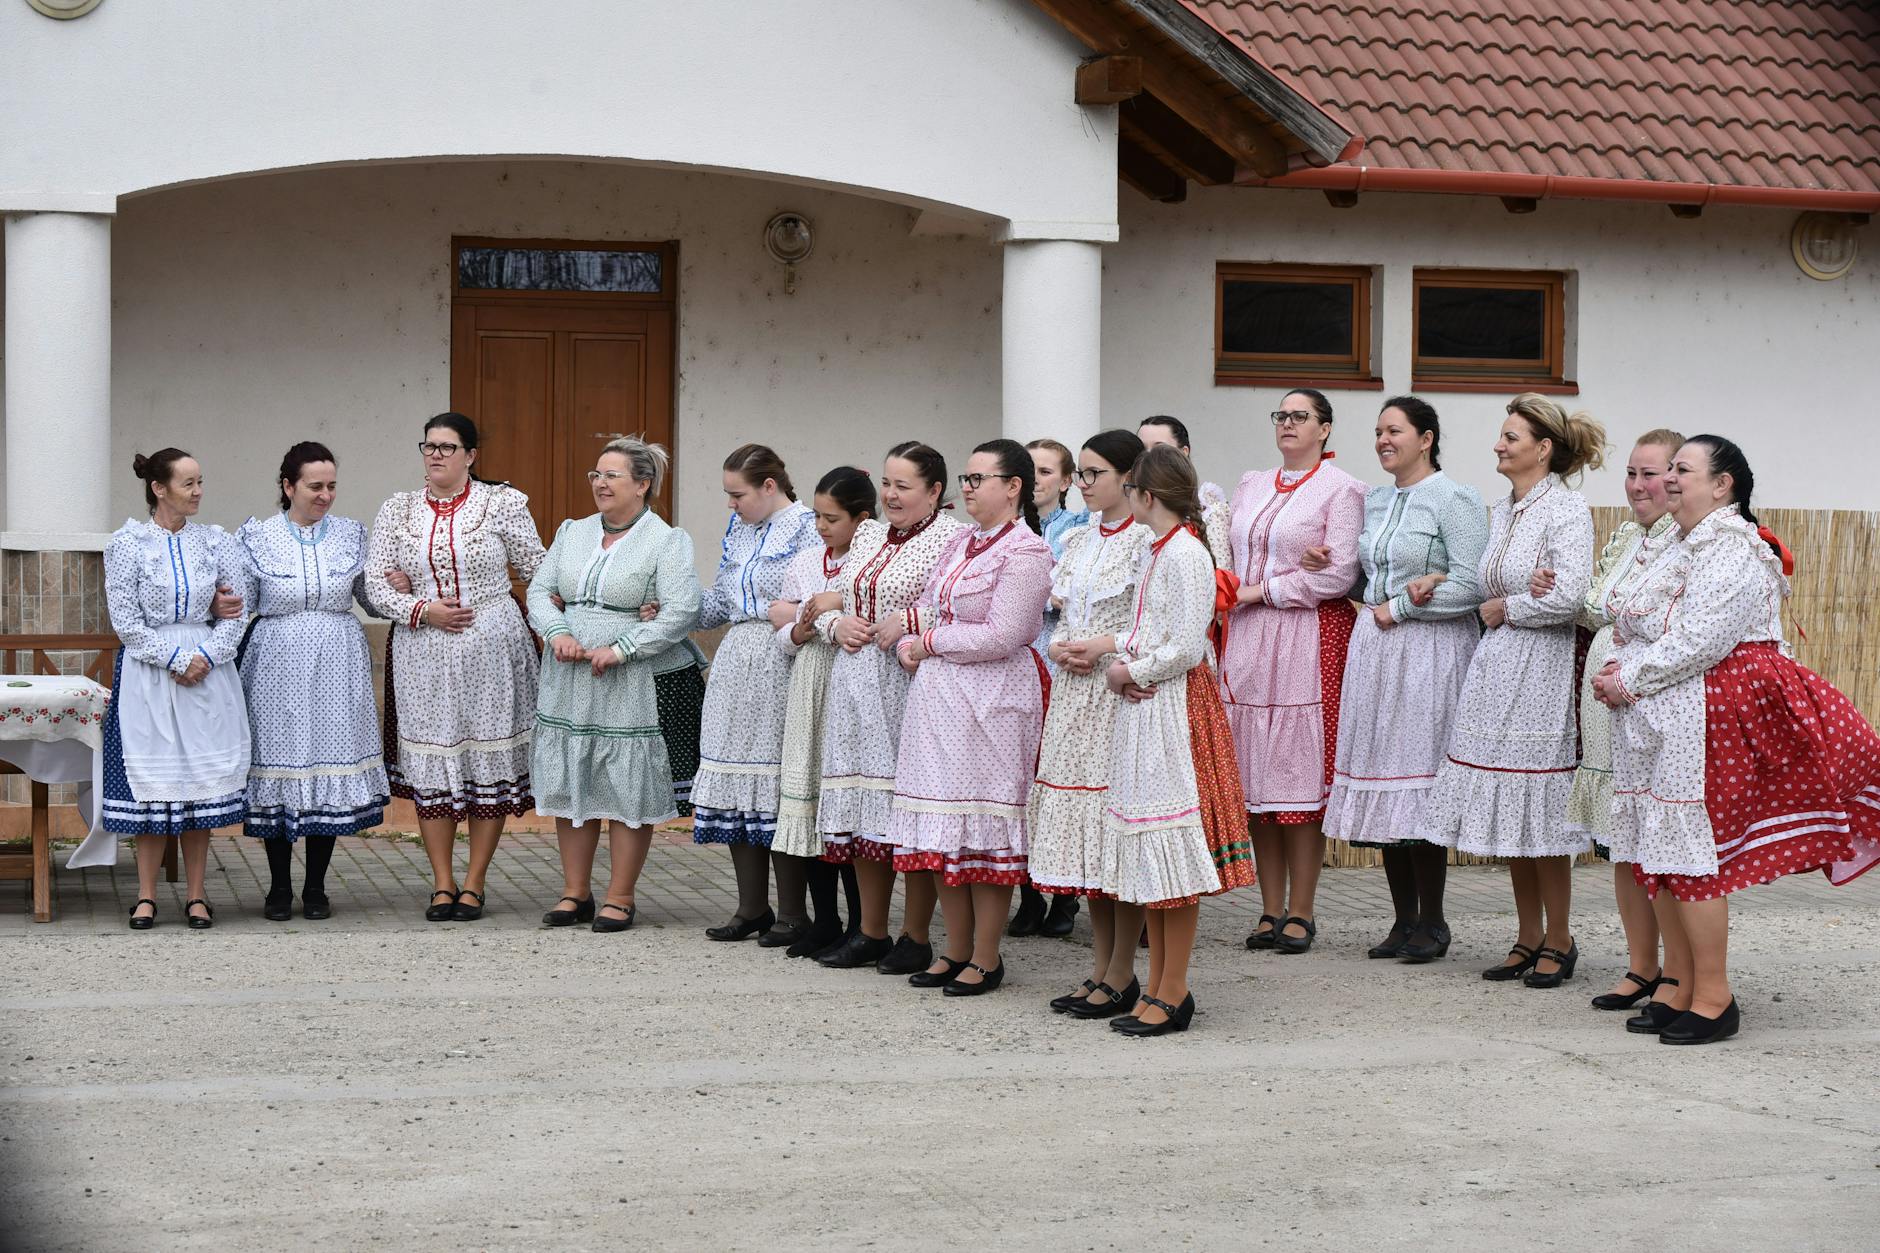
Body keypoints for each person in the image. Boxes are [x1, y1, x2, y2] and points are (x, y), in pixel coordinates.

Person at [1598, 436, 1879, 1043]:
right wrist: (1623, 665)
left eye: (1683, 469)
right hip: (1666, 715)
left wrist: (1627, 678)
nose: (1669, 479)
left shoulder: (1732, 548)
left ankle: (1714, 996)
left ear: (1722, 485)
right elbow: (1632, 617)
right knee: (1662, 853)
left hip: (1708, 718)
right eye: (1670, 468)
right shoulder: (1679, 544)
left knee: (1692, 854)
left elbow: (1700, 639)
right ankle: (1679, 983)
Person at [1428, 394, 1603, 987]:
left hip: (1541, 670)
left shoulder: (1567, 510)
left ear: (1543, 449)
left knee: (1542, 814)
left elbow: (1570, 596)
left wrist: (1513, 605)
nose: (1498, 446)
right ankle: (1527, 935)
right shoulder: (1503, 510)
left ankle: (1561, 938)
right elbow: (1489, 586)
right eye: (1501, 437)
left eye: (1511, 438)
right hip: (1497, 667)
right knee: (1512, 812)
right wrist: (1509, 596)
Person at [879, 438, 1054, 995]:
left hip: (993, 702)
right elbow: (934, 605)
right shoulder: (961, 542)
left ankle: (985, 955)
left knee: (983, 830)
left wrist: (928, 641)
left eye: (980, 479)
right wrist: (909, 637)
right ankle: (953, 948)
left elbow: (1006, 633)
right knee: (941, 826)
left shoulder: (1027, 552)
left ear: (1014, 487)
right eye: (967, 479)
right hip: (939, 701)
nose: (969, 488)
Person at [1323, 397, 1488, 963]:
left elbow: (1471, 584)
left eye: (1394, 430)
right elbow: (1370, 579)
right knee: (1385, 778)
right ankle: (1402, 920)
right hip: (1376, 647)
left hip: (1430, 649)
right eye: (1378, 431)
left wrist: (1405, 606)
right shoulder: (1376, 500)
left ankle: (1434, 923)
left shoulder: (1455, 498)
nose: (1383, 440)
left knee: (1419, 780)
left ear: (1427, 438)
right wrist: (1333, 572)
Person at [1098, 444, 1254, 1035]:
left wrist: (1130, 670)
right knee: (1153, 851)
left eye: (1130, 488)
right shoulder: (1157, 549)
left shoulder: (1186, 553)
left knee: (1173, 853)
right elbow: (1149, 629)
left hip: (1175, 708)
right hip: (1150, 706)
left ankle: (1175, 987)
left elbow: (1188, 646)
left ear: (1147, 495)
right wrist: (1121, 656)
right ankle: (1159, 985)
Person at [365, 413, 546, 922]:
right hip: (422, 652)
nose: (436, 455)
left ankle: (475, 881)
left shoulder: (502, 503)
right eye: (429, 446)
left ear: (470, 455)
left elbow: (539, 569)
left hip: (493, 649)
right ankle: (442, 882)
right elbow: (375, 584)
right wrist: (422, 609)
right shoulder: (398, 509)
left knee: (487, 764)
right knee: (434, 766)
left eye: (447, 447)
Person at [526, 436, 700, 933]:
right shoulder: (572, 531)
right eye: (595, 475)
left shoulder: (666, 540)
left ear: (642, 485)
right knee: (571, 774)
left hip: (629, 679)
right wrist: (557, 632)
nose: (600, 484)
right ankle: (574, 892)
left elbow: (681, 610)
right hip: (568, 675)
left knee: (626, 783)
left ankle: (620, 897)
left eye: (612, 476)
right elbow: (539, 590)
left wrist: (622, 648)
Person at [1220, 389, 1364, 955]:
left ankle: (1302, 909)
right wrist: (1238, 589)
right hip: (1247, 641)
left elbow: (1337, 575)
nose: (1287, 423)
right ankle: (1268, 907)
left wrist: (1260, 590)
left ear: (1324, 429)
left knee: (1297, 779)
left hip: (1305, 640)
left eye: (1300, 416)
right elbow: (1230, 559)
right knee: (1256, 779)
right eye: (1281, 415)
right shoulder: (1251, 483)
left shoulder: (1342, 489)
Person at [1544, 429, 1684, 1008]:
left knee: (1659, 840)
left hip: (1650, 699)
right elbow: (1596, 607)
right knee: (1623, 840)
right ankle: (1641, 965)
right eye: (1631, 473)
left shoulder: (1686, 539)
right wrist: (1552, 589)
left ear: (1678, 479)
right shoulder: (1629, 536)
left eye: (1650, 474)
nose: (1637, 485)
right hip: (1604, 705)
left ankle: (1679, 972)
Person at [814, 442, 965, 972]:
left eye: (903, 486)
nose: (891, 495)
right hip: (854, 684)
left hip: (908, 684)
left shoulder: (952, 538)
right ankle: (871, 931)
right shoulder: (870, 534)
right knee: (862, 809)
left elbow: (957, 607)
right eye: (886, 484)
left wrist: (911, 622)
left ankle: (915, 935)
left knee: (910, 812)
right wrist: (836, 625)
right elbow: (833, 597)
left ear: (935, 490)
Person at [233, 442, 390, 921]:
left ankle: (316, 886)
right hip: (275, 665)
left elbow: (371, 599)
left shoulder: (352, 534)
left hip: (337, 665)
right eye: (315, 486)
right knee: (278, 766)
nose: (325, 495)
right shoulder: (256, 536)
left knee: (328, 765)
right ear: (288, 486)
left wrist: (396, 589)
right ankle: (279, 886)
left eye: (332, 486)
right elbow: (238, 605)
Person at [1028, 429, 1153, 1017]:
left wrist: (1104, 645)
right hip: (1074, 698)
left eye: (1093, 472)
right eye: (1079, 472)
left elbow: (1159, 622)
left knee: (1114, 837)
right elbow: (1062, 616)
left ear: (1129, 477)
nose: (1082, 483)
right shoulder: (1078, 540)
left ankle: (1123, 970)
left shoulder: (1147, 542)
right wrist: (1062, 646)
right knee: (1087, 844)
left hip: (1118, 695)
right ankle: (1102, 966)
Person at [105, 449, 251, 931]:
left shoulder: (215, 541)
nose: (198, 492)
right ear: (158, 488)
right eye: (188, 483)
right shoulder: (127, 544)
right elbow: (126, 622)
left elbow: (237, 610)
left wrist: (206, 655)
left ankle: (196, 895)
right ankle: (145, 895)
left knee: (198, 790)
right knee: (153, 788)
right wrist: (175, 658)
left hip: (207, 674)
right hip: (150, 675)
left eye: (200, 481)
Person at [690, 444, 820, 944]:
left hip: (784, 657)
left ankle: (793, 913)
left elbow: (821, 594)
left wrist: (788, 614)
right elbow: (722, 602)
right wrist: (673, 606)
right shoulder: (740, 528)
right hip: (736, 661)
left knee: (778, 783)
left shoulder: (808, 527)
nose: (731, 504)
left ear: (770, 486)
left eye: (737, 494)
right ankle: (751, 907)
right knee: (736, 783)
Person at [769, 466, 876, 957]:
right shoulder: (807, 560)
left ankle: (861, 923)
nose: (821, 527)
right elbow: (784, 627)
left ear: (862, 519)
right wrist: (799, 628)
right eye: (817, 516)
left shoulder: (870, 562)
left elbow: (866, 618)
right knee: (808, 800)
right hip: (810, 681)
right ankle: (825, 919)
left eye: (832, 518)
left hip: (852, 681)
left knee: (844, 805)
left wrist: (814, 615)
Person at [1012, 436, 1090, 938]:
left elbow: (1074, 591)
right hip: (1019, 665)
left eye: (1046, 471)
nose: (1036, 480)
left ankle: (1065, 895)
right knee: (1020, 778)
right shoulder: (1007, 529)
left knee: (1060, 777)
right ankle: (1026, 894)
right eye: (1029, 471)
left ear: (1065, 481)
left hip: (1059, 664)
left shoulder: (1080, 529)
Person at [1138, 415, 1230, 567]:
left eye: (1159, 448)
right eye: (1141, 449)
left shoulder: (1210, 512)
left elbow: (1221, 573)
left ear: (1183, 452)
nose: (1148, 456)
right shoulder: (1131, 507)